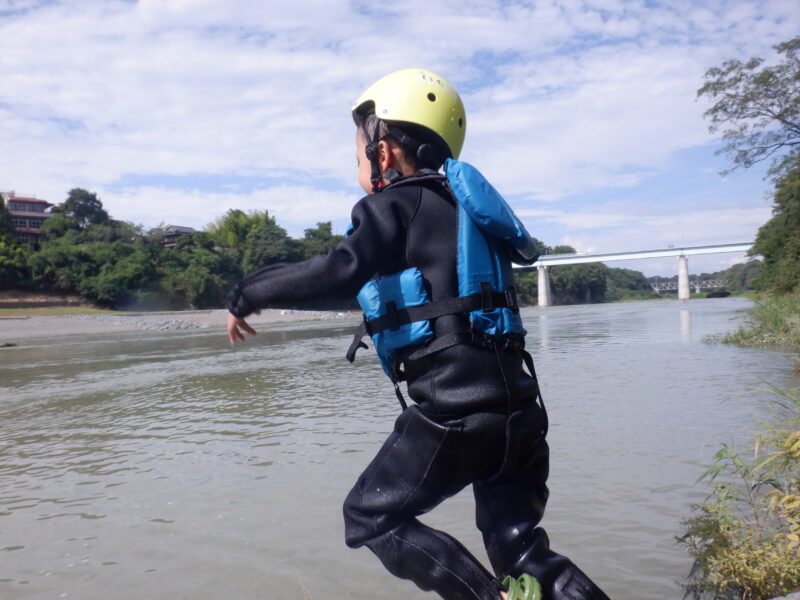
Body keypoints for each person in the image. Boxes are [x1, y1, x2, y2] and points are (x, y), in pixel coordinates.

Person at [226, 68, 611, 600]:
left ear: (382, 153)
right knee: (522, 551)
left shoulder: (394, 204)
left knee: (369, 517)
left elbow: (340, 269)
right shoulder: (470, 216)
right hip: (521, 414)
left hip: (455, 414)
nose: (357, 164)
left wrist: (247, 293)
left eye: (358, 153)